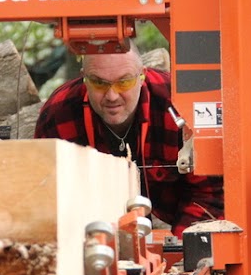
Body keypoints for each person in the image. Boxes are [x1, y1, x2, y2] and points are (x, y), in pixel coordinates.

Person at [34, 42, 223, 237]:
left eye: (123, 82)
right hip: (90, 226)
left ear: (142, 75)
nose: (112, 96)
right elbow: (47, 197)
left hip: (178, 216)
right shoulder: (57, 114)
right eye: (99, 83)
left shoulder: (179, 106)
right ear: (84, 78)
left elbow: (211, 192)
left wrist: (184, 245)